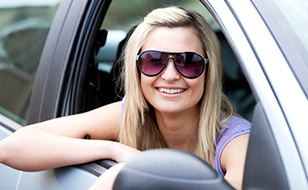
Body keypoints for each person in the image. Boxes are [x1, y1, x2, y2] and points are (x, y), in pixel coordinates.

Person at [0, 6, 250, 189]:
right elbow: (11, 147)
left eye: (188, 62)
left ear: (209, 72)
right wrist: (112, 149)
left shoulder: (237, 140)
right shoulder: (128, 114)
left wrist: (130, 173)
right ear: (136, 69)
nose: (171, 75)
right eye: (154, 61)